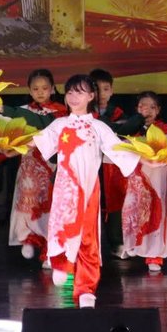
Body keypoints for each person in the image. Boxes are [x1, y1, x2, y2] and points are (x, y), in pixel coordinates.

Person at [28, 74, 141, 308]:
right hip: (64, 188)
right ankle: (61, 263)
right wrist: (4, 139)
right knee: (60, 228)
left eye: (79, 92)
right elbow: (35, 142)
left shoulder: (99, 127)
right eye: (70, 92)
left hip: (89, 189)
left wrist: (152, 159)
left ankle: (86, 288)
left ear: (91, 96)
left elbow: (120, 151)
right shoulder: (59, 124)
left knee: (88, 237)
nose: (73, 97)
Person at [120, 91, 167, 273]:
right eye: (142, 106)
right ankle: (131, 244)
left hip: (157, 176)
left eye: (151, 107)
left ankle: (154, 256)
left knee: (157, 211)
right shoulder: (128, 128)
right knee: (131, 209)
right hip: (135, 175)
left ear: (158, 110)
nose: (146, 110)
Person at [6, 68, 67, 261]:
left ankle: (50, 248)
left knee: (51, 204)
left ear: (53, 89)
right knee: (27, 199)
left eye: (44, 88)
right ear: (29, 90)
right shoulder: (23, 110)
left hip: (51, 163)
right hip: (29, 161)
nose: (40, 92)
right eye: (35, 89)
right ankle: (27, 238)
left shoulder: (62, 111)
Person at [89, 68, 130, 257]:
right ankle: (90, 246)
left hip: (111, 166)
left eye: (106, 89)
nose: (102, 94)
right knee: (90, 205)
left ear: (112, 91)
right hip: (90, 165)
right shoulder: (84, 113)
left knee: (114, 203)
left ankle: (117, 243)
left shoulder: (118, 113)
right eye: (97, 89)